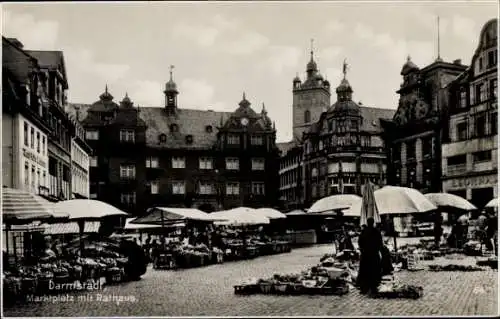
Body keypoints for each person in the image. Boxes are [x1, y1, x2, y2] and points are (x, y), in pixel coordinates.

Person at [358, 217, 384, 296]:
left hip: (365, 255)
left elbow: (360, 242)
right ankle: (373, 286)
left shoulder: (363, 231)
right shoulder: (376, 231)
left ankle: (364, 287)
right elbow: (380, 243)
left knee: (365, 270)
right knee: (374, 270)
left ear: (367, 222)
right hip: (373, 254)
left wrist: (362, 249)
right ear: (373, 223)